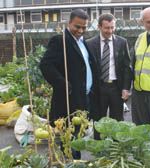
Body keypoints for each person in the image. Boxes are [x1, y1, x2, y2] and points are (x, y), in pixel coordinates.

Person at [39, 9, 99, 159]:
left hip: (83, 97)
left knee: (78, 134)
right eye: (77, 27)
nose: (80, 30)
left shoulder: (82, 41)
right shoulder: (60, 40)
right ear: (69, 23)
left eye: (84, 27)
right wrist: (64, 85)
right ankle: (71, 161)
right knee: (69, 136)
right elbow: (46, 65)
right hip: (68, 98)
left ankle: (74, 160)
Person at [87, 13, 132, 138]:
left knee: (117, 121)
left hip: (116, 88)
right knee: (98, 121)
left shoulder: (122, 42)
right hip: (98, 88)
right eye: (107, 28)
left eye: (112, 27)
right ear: (99, 27)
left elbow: (127, 67)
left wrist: (126, 88)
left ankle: (116, 149)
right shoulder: (90, 44)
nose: (110, 31)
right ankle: (99, 150)